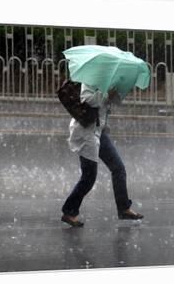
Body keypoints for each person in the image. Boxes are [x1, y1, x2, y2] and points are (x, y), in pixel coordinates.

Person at [61, 83, 144, 227]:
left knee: (118, 169)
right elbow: (87, 99)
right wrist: (105, 94)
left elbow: (114, 102)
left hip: (99, 132)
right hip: (86, 131)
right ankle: (69, 211)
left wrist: (116, 93)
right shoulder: (90, 78)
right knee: (89, 177)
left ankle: (124, 208)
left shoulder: (109, 79)